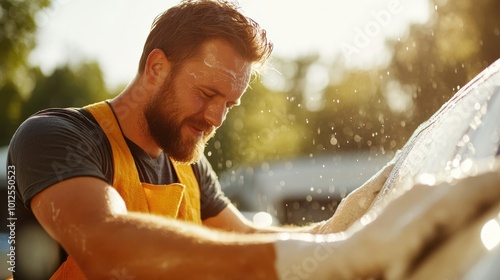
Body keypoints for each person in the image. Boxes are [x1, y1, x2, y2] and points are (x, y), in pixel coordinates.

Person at [7, 0, 500, 279]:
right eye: (206, 93)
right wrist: (331, 255)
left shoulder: (187, 165)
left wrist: (342, 226)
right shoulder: (58, 137)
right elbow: (104, 243)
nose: (216, 117)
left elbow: (245, 241)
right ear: (156, 68)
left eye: (230, 104)